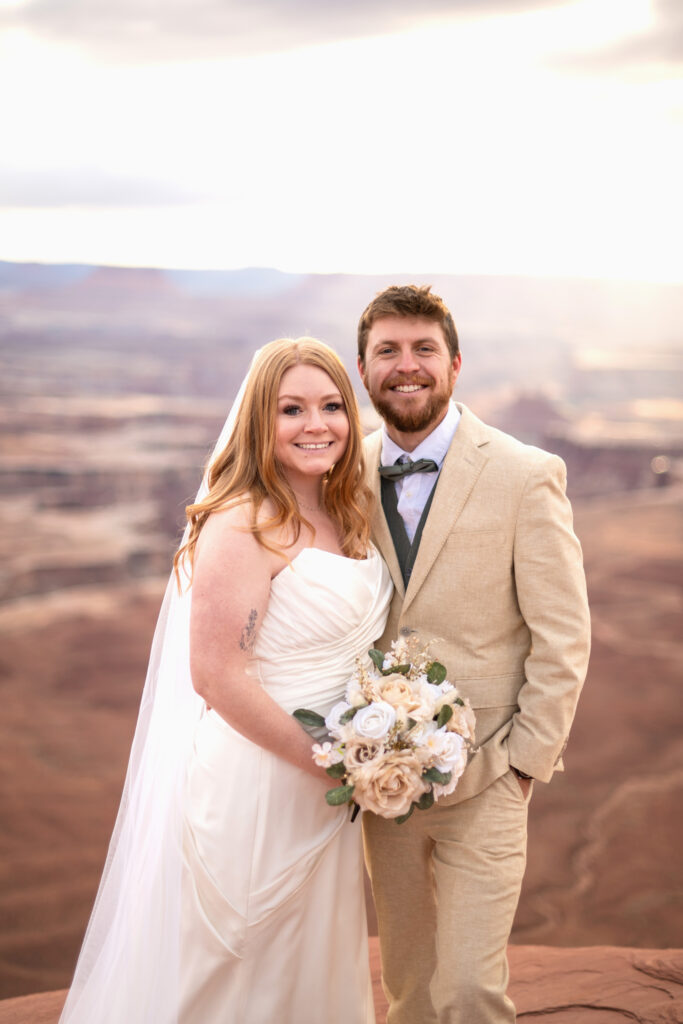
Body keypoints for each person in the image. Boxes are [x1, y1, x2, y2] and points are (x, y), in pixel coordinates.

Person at [59, 337, 392, 1024]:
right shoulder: (243, 523)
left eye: (331, 406)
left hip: (324, 792)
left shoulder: (345, 513)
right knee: (237, 972)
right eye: (291, 409)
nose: (316, 425)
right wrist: (337, 763)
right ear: (258, 423)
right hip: (261, 781)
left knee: (307, 971)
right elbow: (217, 676)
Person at [357, 285, 591, 1024]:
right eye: (386, 351)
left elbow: (563, 633)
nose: (406, 366)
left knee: (468, 992)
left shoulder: (525, 474)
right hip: (377, 784)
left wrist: (525, 760)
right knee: (410, 994)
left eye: (423, 349)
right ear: (363, 371)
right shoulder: (336, 473)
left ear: (454, 364)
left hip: (488, 774)